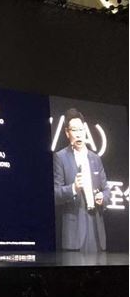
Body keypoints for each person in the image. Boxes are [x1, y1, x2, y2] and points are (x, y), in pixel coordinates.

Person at [53, 108, 110, 252]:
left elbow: (106, 189)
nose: (78, 134)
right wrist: (73, 188)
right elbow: (55, 193)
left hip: (96, 227)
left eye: (80, 129)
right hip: (75, 230)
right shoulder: (61, 157)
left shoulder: (95, 158)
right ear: (67, 133)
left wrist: (102, 197)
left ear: (85, 130)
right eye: (74, 130)